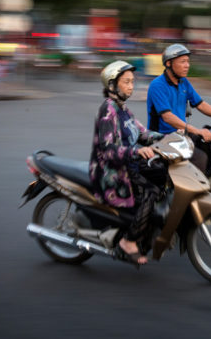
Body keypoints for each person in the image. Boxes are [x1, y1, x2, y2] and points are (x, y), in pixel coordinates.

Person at [89, 60, 163, 265]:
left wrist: (170, 137)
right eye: (127, 82)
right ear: (113, 85)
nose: (131, 86)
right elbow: (108, 150)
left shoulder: (123, 109)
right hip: (110, 172)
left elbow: (143, 133)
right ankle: (128, 241)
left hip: (127, 164)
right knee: (151, 192)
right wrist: (137, 152)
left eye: (132, 82)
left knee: (162, 175)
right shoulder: (108, 111)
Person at [146, 44, 211, 172]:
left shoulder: (183, 82)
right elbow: (167, 117)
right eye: (183, 62)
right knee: (199, 158)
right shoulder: (157, 85)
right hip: (162, 137)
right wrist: (197, 131)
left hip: (180, 134)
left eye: (188, 61)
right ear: (169, 63)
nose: (187, 65)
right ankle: (196, 190)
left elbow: (200, 104)